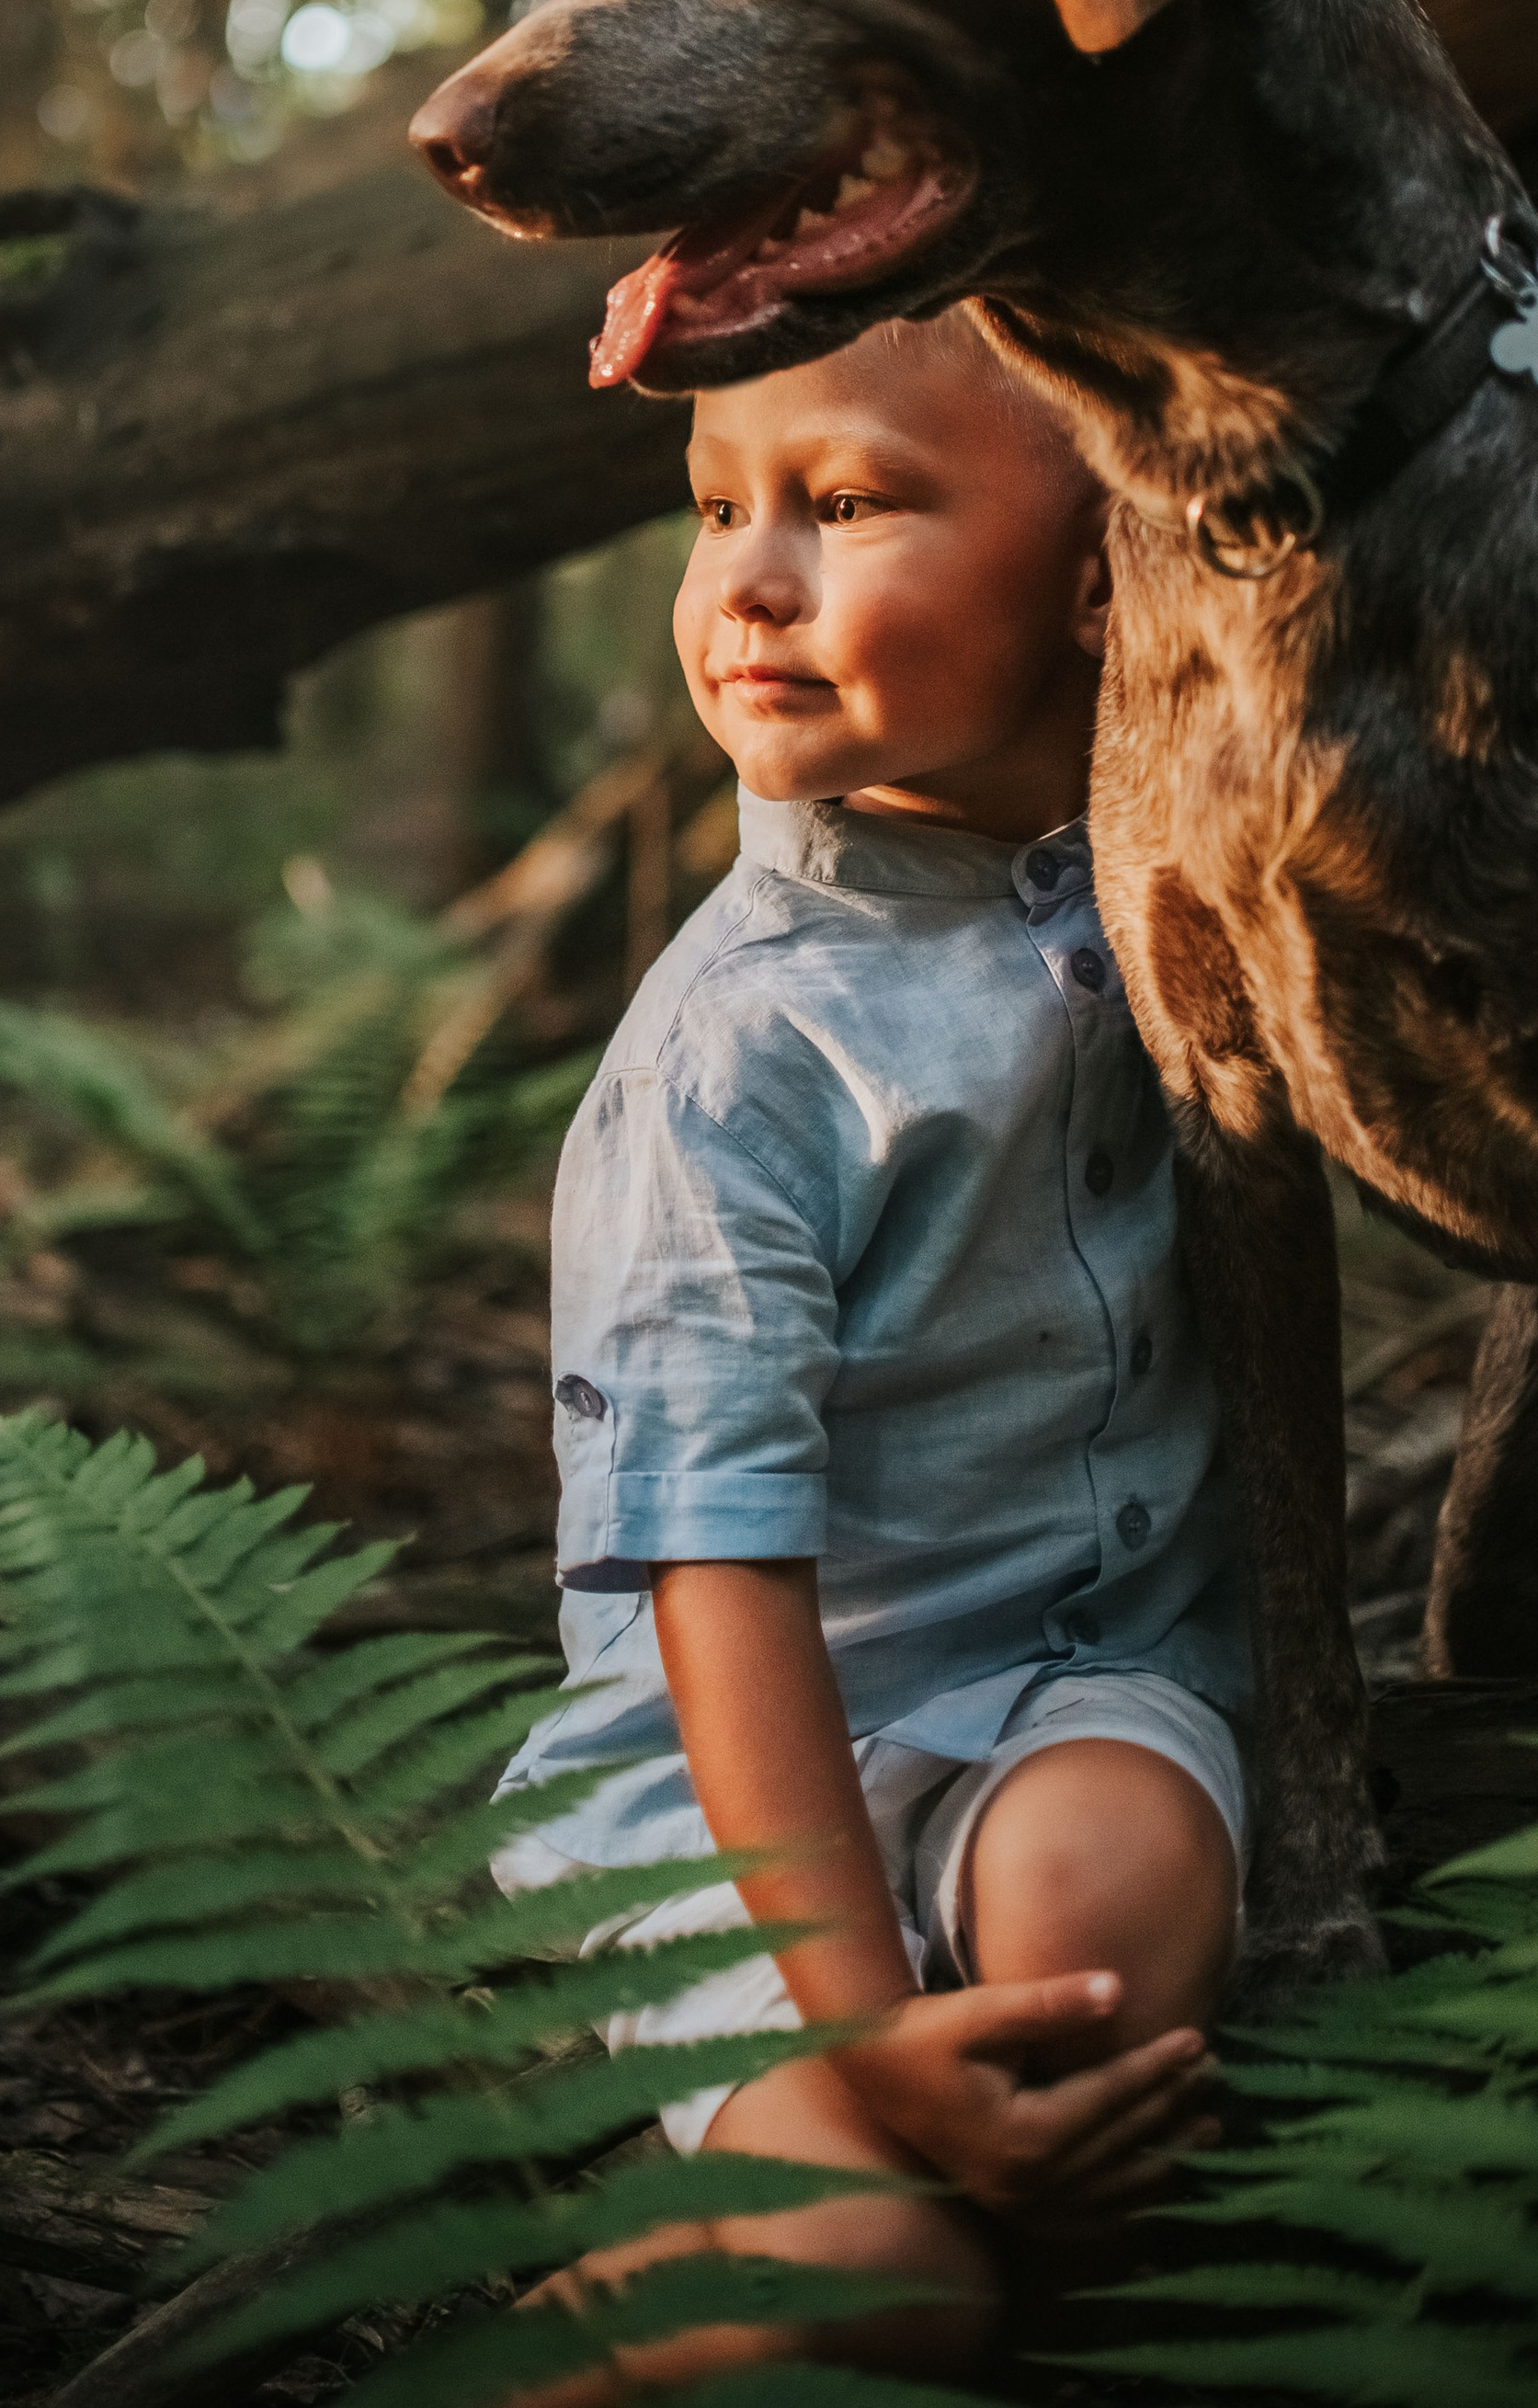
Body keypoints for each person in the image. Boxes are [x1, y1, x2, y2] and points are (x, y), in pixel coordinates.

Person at [493, 308, 1247, 2393]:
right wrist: (847, 2029)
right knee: (875, 2278)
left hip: (1070, 1694)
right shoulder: (734, 1055)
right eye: (715, 505)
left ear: (1109, 572)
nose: (741, 579)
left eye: (841, 504)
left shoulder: (1183, 883)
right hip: (738, 1781)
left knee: (1098, 1938)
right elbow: (710, 1571)